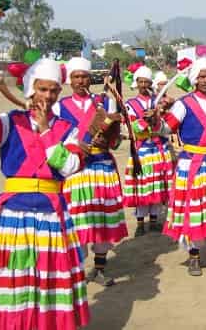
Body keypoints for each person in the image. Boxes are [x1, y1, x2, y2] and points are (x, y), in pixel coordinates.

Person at [0, 57, 90, 330]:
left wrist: (45, 130)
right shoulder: (11, 121)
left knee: (50, 278)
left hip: (51, 215)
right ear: (31, 89)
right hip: (14, 216)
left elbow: (69, 166)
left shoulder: (68, 129)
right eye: (43, 89)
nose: (49, 95)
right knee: (15, 276)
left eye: (54, 90)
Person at [158, 58, 206, 276]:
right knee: (194, 210)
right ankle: (193, 257)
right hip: (190, 163)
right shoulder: (183, 104)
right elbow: (167, 127)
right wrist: (155, 120)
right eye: (201, 77)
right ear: (194, 80)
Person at [56, 57, 128, 286]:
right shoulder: (59, 107)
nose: (80, 81)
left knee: (101, 220)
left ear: (90, 78)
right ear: (69, 81)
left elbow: (115, 139)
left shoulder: (104, 103)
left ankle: (99, 269)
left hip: (102, 167)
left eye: (84, 76)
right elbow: (51, 139)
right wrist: (74, 145)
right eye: (76, 77)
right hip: (76, 171)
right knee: (76, 222)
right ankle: (77, 271)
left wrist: (112, 136)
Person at [124, 66, 173, 236]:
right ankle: (140, 223)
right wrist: (145, 121)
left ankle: (154, 220)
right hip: (142, 150)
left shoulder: (158, 102)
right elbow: (132, 128)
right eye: (141, 81)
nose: (144, 84)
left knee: (157, 184)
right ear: (136, 84)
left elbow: (167, 126)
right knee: (142, 186)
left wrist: (161, 113)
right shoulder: (130, 104)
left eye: (147, 81)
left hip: (159, 148)